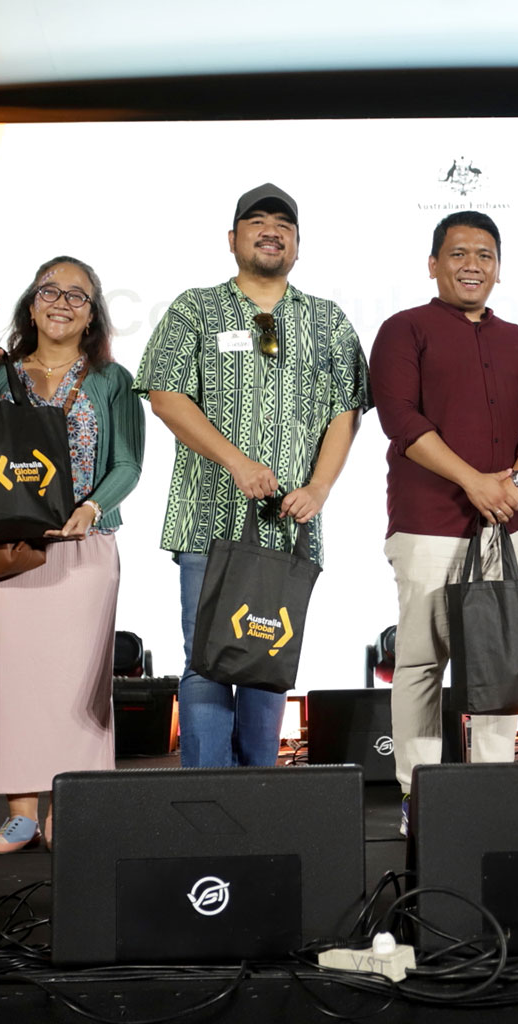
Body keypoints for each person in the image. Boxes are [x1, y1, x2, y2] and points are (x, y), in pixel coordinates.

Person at [135, 183, 368, 768]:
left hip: (289, 526)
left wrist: (319, 488)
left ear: (297, 244)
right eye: (257, 220)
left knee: (269, 661)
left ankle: (262, 792)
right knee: (205, 659)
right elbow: (165, 395)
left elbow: (347, 410)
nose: (271, 230)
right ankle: (207, 794)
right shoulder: (195, 308)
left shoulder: (328, 319)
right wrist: (237, 462)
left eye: (283, 224)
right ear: (232, 238)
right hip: (206, 520)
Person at [0, 256, 144, 852]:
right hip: (12, 547)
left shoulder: (113, 379)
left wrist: (92, 507)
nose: (62, 302)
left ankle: (71, 808)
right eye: (50, 291)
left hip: (84, 549)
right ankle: (20, 815)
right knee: (10, 681)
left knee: (77, 684)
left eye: (78, 296)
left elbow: (128, 463)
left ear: (93, 315)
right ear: (30, 304)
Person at [370, 211, 518, 834]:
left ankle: (492, 791)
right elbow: (400, 418)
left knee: (503, 661)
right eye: (458, 254)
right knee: (422, 662)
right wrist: (475, 481)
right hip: (427, 522)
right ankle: (417, 798)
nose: (472, 264)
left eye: (485, 255)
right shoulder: (404, 330)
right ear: (433, 263)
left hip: (508, 520)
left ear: (498, 269)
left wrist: (515, 483)